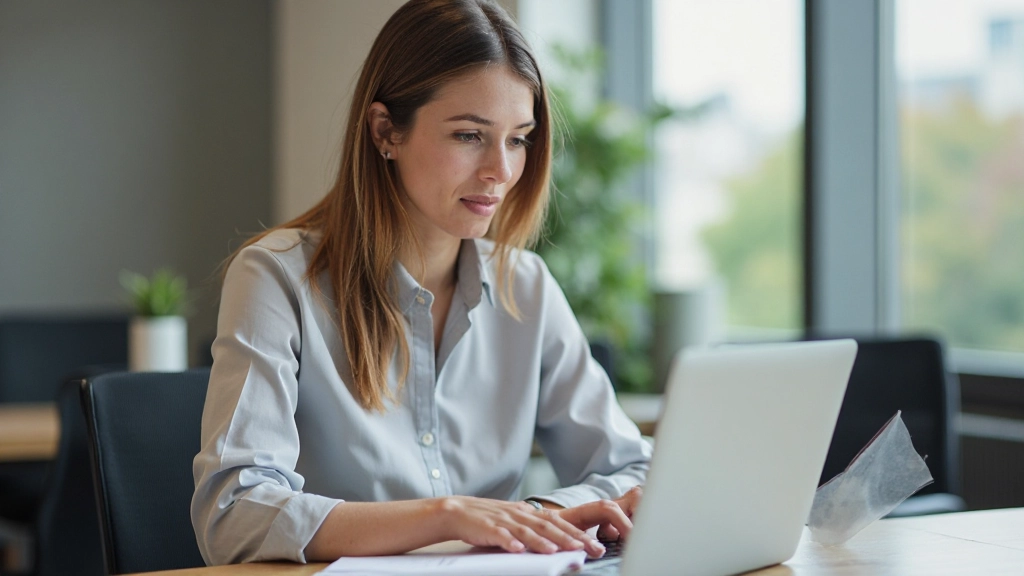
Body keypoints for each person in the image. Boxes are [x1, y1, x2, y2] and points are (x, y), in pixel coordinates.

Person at [191, 0, 652, 565]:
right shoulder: (277, 276)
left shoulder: (524, 285)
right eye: (468, 136)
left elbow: (632, 467)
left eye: (518, 139)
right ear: (386, 130)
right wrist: (447, 516)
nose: (501, 172)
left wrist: (534, 515)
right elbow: (234, 512)